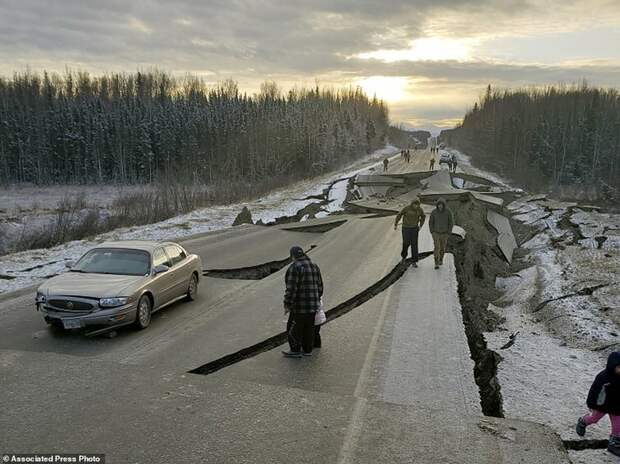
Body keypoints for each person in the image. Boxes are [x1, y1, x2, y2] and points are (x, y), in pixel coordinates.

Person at [283, 246, 324, 358]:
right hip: (313, 305)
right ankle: (307, 350)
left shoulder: (295, 267)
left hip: (299, 306)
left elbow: (291, 289)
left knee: (293, 328)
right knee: (309, 328)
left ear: (293, 256)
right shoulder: (314, 266)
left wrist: (287, 304)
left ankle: (295, 350)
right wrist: (316, 299)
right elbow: (320, 286)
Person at [576, 352, 620, 456]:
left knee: (618, 425)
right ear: (612, 366)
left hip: (617, 407)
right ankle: (583, 422)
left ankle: (614, 443)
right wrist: (591, 403)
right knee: (594, 418)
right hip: (601, 405)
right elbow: (594, 391)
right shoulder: (603, 377)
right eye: (619, 367)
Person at [394, 198, 425, 267]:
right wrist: (396, 223)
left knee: (414, 245)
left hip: (414, 229)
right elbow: (399, 214)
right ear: (412, 204)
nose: (416, 206)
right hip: (406, 228)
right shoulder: (407, 208)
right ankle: (403, 257)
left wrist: (421, 225)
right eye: (414, 204)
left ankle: (414, 261)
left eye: (417, 205)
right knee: (406, 243)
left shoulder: (420, 210)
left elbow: (423, 216)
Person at [429, 198, 454, 269]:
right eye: (439, 205)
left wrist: (448, 232)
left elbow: (451, 222)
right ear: (437, 205)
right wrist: (432, 231)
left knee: (443, 248)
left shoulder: (448, 212)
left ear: (443, 205)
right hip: (436, 233)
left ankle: (441, 259)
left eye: (441, 205)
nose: (440, 206)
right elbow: (431, 222)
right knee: (437, 247)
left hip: (445, 233)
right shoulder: (434, 212)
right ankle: (436, 262)